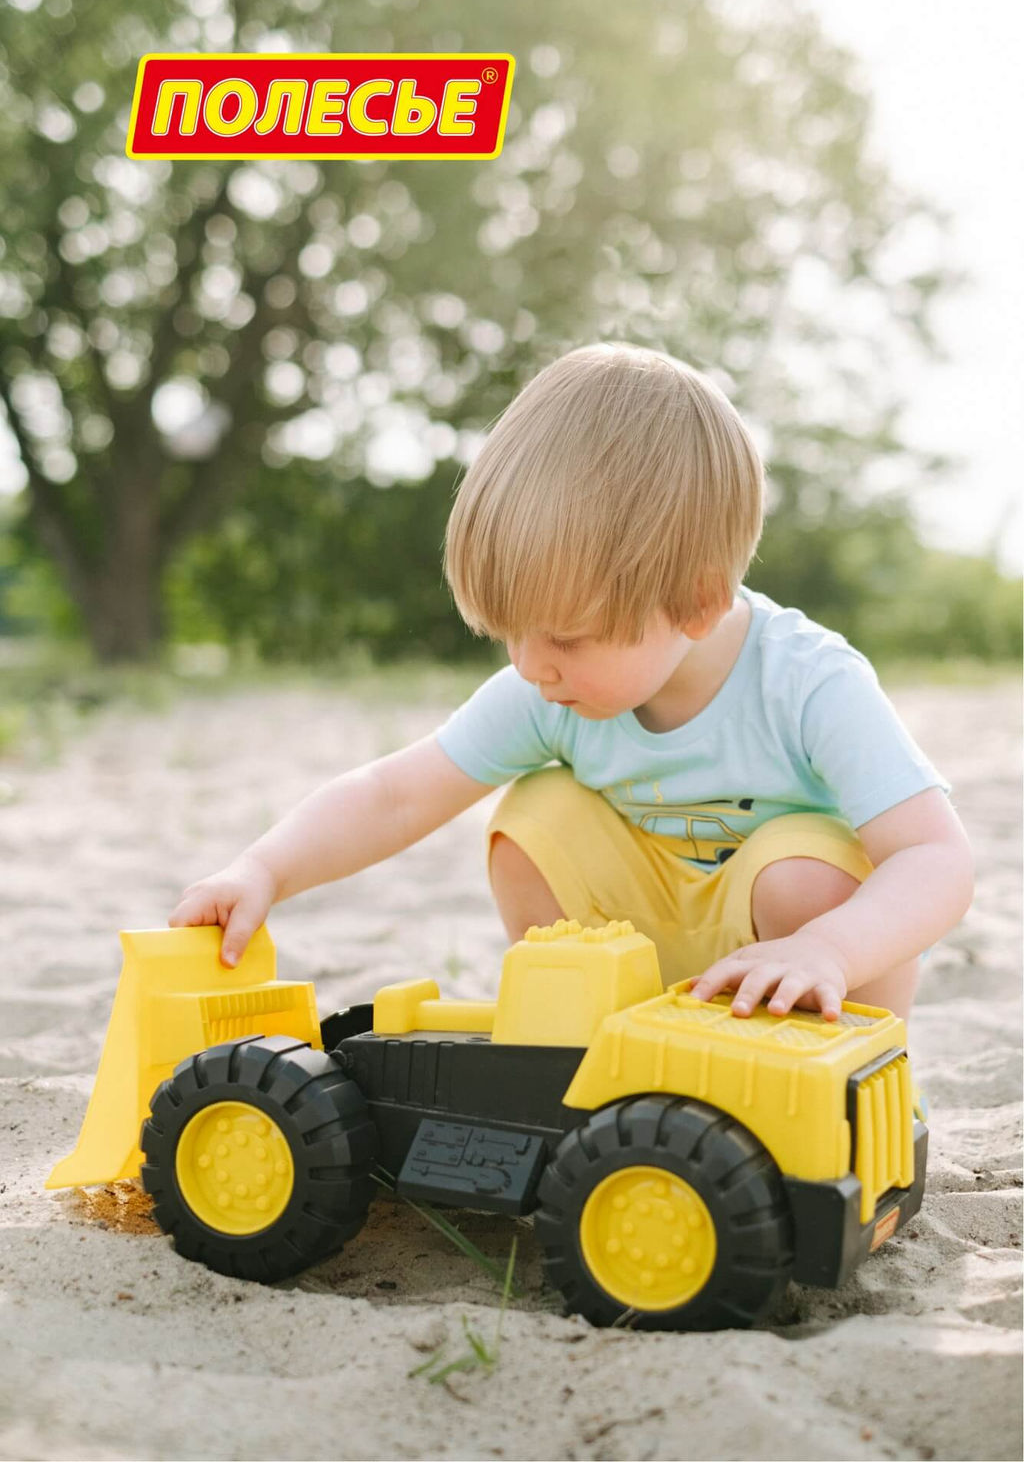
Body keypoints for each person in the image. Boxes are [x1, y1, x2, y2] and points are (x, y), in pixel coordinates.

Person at [169, 342, 974, 1032]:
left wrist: (827, 947)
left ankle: (836, 1070)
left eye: (564, 635)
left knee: (806, 876)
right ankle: (599, 1039)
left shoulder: (807, 682)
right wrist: (264, 868)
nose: (529, 664)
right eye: (511, 632)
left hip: (810, 978)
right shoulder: (554, 688)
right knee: (533, 818)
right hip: (656, 962)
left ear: (698, 601)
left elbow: (937, 858)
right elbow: (395, 793)